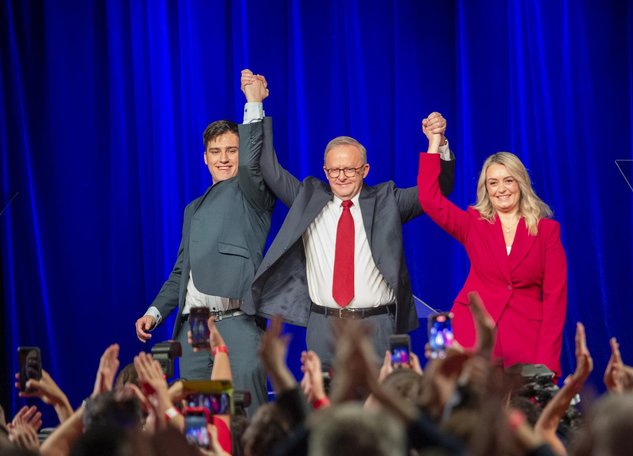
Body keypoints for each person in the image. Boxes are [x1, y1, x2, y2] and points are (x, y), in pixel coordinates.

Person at [238, 69, 455, 366]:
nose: (341, 177)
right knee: (328, 409)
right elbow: (269, 167)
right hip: (323, 324)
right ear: (325, 171)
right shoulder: (308, 197)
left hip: (376, 326)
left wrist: (437, 144)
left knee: (378, 409)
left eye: (350, 170)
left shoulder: (387, 199)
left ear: (365, 170)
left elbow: (437, 191)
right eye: (333, 171)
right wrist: (255, 105)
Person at [133, 76, 276, 416]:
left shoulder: (252, 192)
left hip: (237, 322)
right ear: (205, 158)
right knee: (200, 421)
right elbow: (182, 271)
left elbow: (254, 159)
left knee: (248, 417)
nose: (223, 158)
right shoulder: (192, 209)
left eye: (231, 150)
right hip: (193, 327)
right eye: (216, 152)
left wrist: (253, 103)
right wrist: (154, 313)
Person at [417, 129, 567, 376]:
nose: (501, 189)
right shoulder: (473, 223)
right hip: (472, 337)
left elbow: (555, 300)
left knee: (521, 413)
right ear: (485, 188)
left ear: (520, 183)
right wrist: (435, 143)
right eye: (493, 183)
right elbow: (430, 199)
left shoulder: (547, 231)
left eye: (508, 180)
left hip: (524, 341)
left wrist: (547, 363)